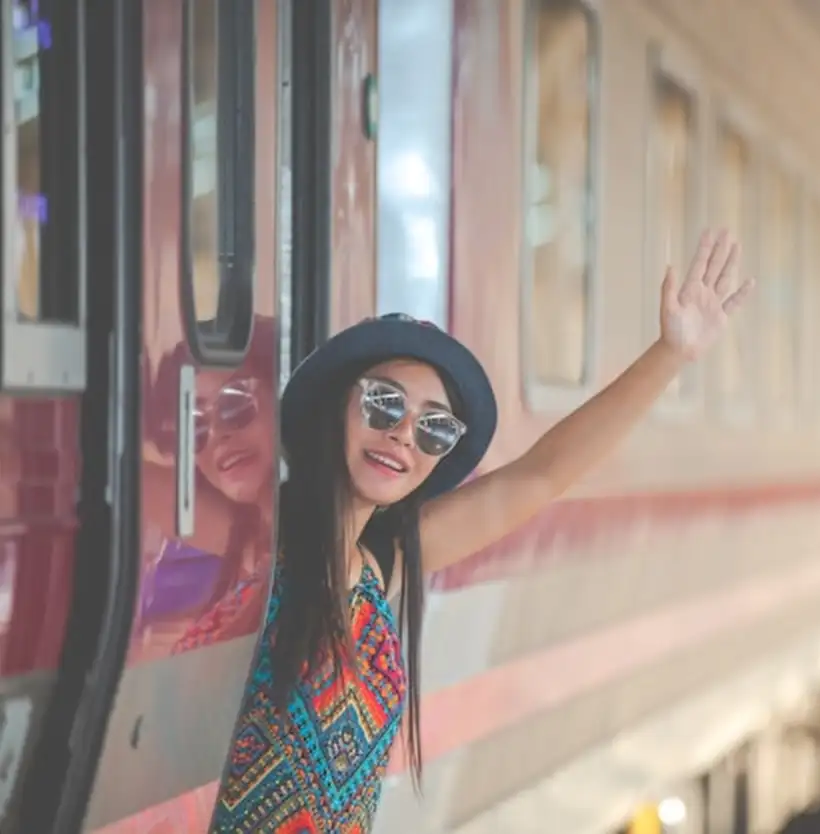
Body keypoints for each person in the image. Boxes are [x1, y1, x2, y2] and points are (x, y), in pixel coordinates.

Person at [209, 229, 752, 832]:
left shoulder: (386, 560)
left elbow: (543, 476)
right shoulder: (260, 540)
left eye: (434, 429)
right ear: (340, 405)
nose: (403, 435)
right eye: (384, 405)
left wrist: (669, 355)